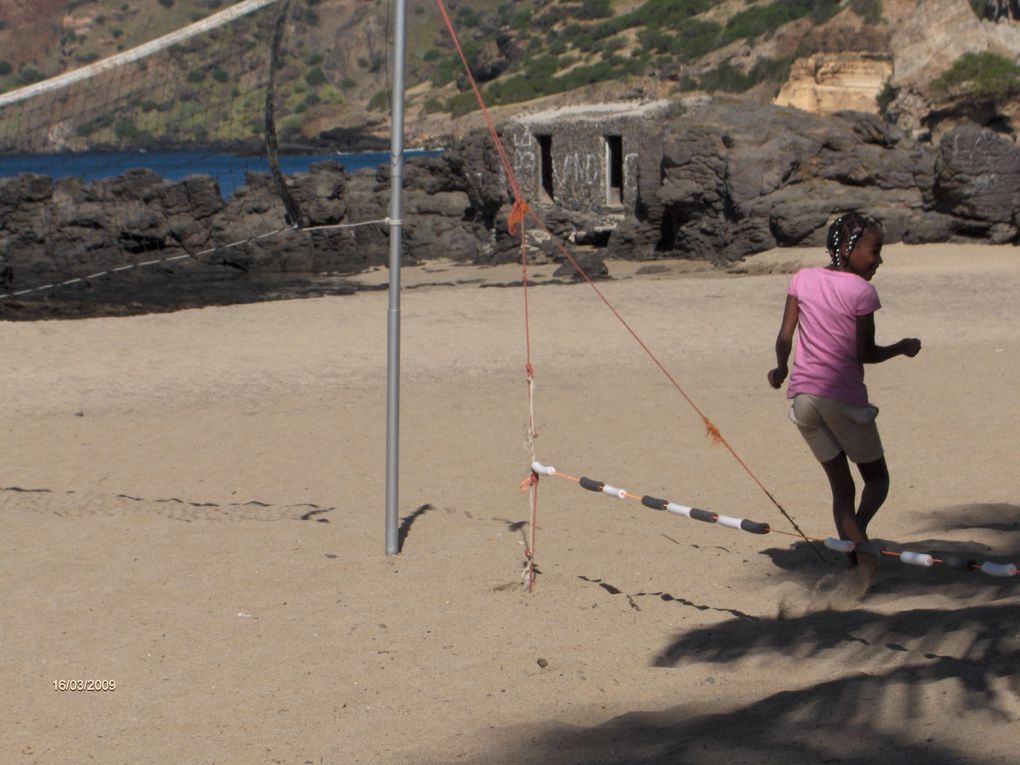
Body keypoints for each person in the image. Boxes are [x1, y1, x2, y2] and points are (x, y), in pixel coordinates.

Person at [767, 212, 921, 586]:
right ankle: (859, 542)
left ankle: (853, 557)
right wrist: (902, 347)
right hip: (843, 400)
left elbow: (785, 336)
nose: (879, 260)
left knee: (842, 490)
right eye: (875, 250)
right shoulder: (863, 292)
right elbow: (865, 353)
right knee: (878, 480)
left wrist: (780, 368)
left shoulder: (802, 278)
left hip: (803, 400)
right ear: (849, 249)